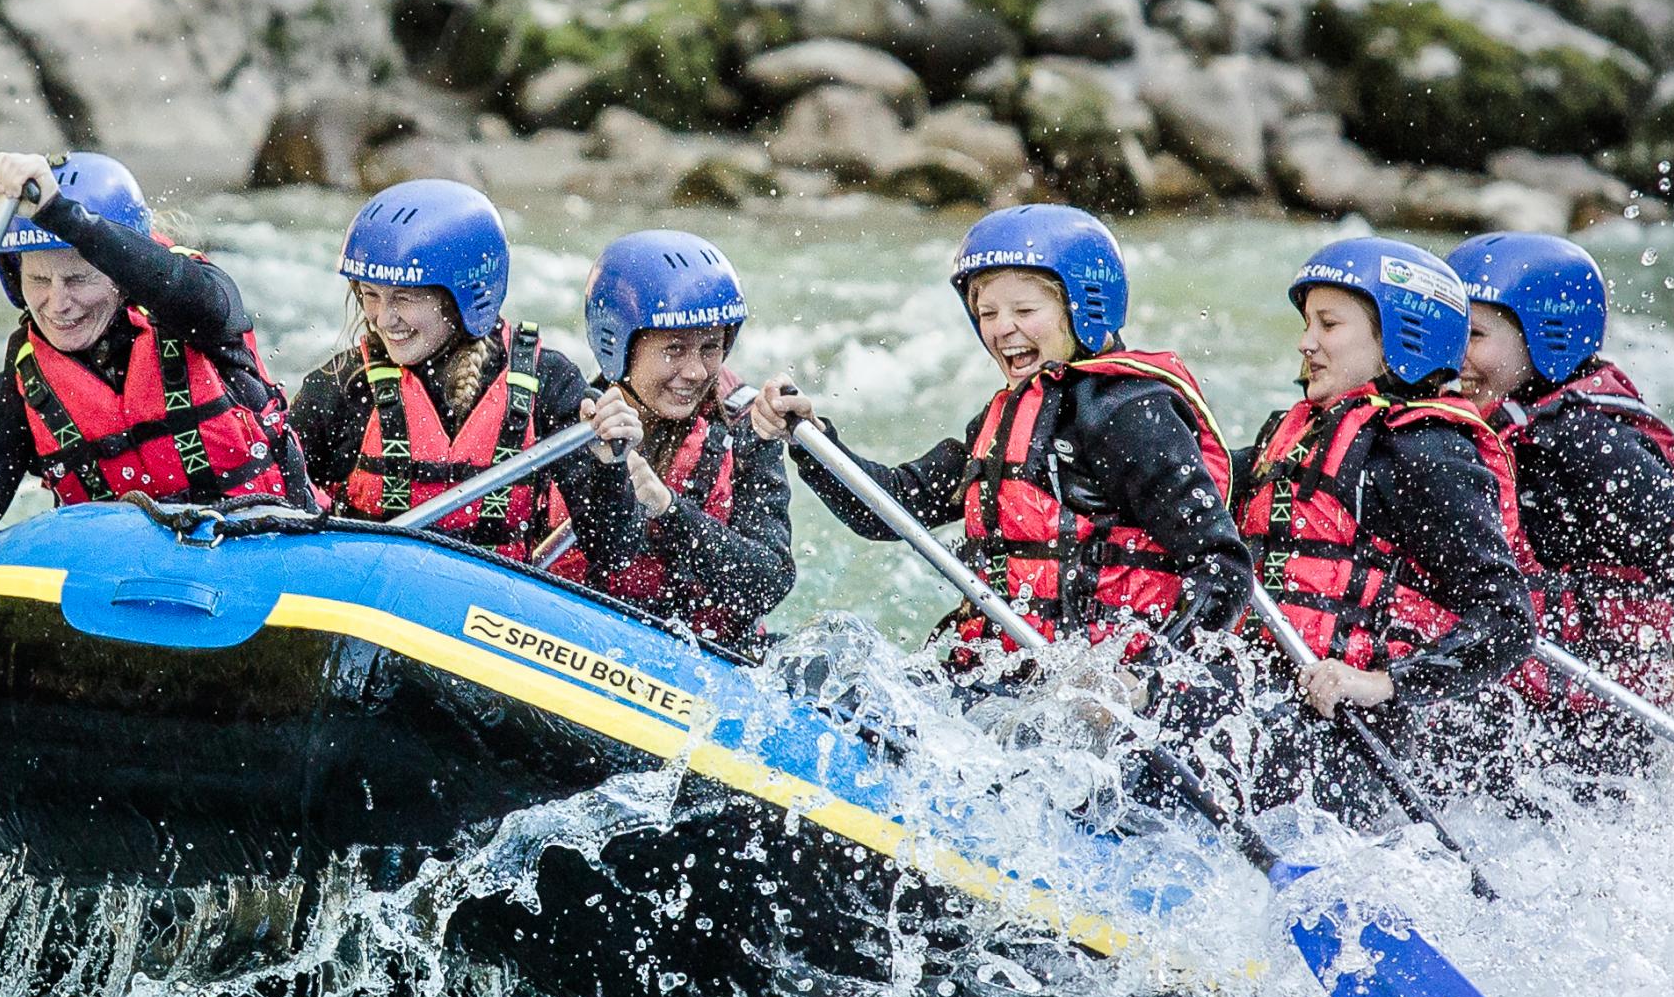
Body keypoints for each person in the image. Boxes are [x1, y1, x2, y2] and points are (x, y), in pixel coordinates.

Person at [753, 204, 1247, 672]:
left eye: (1024, 310)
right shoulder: (1010, 419)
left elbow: (1223, 568)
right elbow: (894, 508)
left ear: (1085, 308)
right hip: (1006, 677)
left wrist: (1142, 680)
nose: (1002, 329)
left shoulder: (1131, 415)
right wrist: (811, 440)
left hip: (1108, 691)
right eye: (987, 313)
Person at [0, 151, 305, 632]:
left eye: (77, 278)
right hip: (127, 597)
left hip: (264, 566)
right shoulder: (25, 384)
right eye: (39, 279)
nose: (58, 304)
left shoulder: (199, 307)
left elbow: (183, 290)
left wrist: (60, 213)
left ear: (120, 273)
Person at [1450, 232, 1674, 783]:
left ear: (1546, 336)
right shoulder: (1474, 427)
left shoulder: (1594, 443)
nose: (1457, 356)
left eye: (1474, 335)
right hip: (1510, 704)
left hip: (1594, 731)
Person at [1234, 236, 1537, 788]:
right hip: (1264, 696)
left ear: (1400, 335)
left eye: (1329, 325)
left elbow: (1508, 621)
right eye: (1307, 324)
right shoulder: (1295, 435)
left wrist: (1381, 682)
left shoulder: (1428, 453)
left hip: (1355, 737)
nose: (1306, 342)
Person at [291, 178, 640, 573]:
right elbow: (278, 511)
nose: (384, 319)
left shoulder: (549, 383)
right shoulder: (341, 387)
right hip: (363, 596)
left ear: (462, 297)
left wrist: (610, 466)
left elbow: (615, 552)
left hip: (492, 605)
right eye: (371, 294)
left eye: (403, 297)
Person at [555, 231, 796, 650]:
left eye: (710, 348)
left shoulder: (747, 431)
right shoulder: (566, 417)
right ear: (620, 344)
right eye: (674, 350)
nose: (697, 372)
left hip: (710, 658)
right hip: (579, 644)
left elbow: (769, 583)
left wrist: (668, 510)